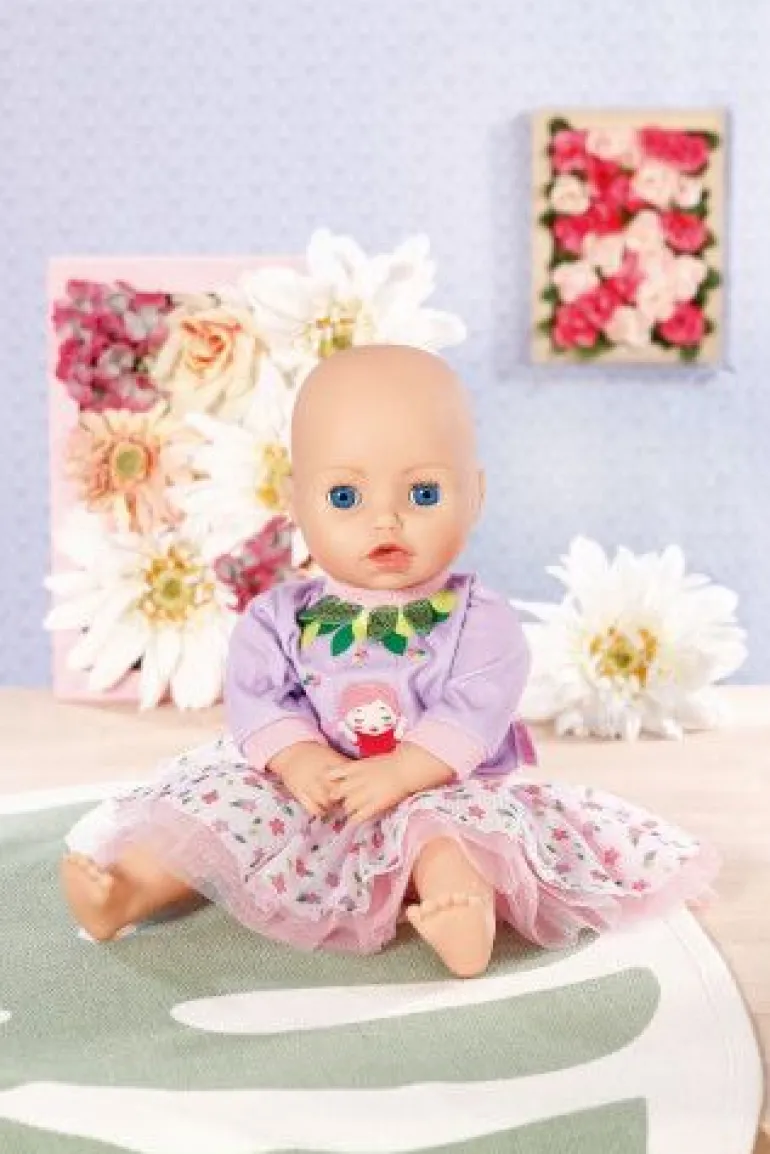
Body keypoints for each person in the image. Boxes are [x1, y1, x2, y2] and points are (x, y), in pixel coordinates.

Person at [61, 344, 719, 978]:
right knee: (217, 815)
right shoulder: (277, 617)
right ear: (295, 501)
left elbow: (477, 705)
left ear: (475, 494)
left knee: (451, 835)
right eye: (345, 498)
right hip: (312, 795)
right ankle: (127, 891)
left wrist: (405, 771)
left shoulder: (477, 618)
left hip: (436, 788)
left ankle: (463, 915)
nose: (386, 521)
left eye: (423, 494)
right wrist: (298, 758)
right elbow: (258, 697)